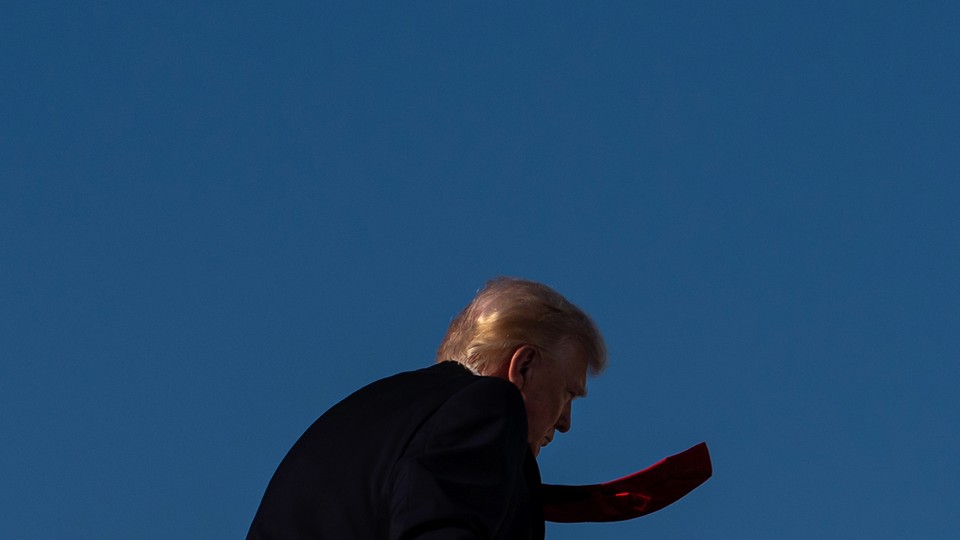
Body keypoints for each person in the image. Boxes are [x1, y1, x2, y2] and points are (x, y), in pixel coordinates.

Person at [246, 277, 606, 539]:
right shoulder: (491, 405)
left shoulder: (364, 414)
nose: (565, 422)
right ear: (522, 367)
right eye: (567, 393)